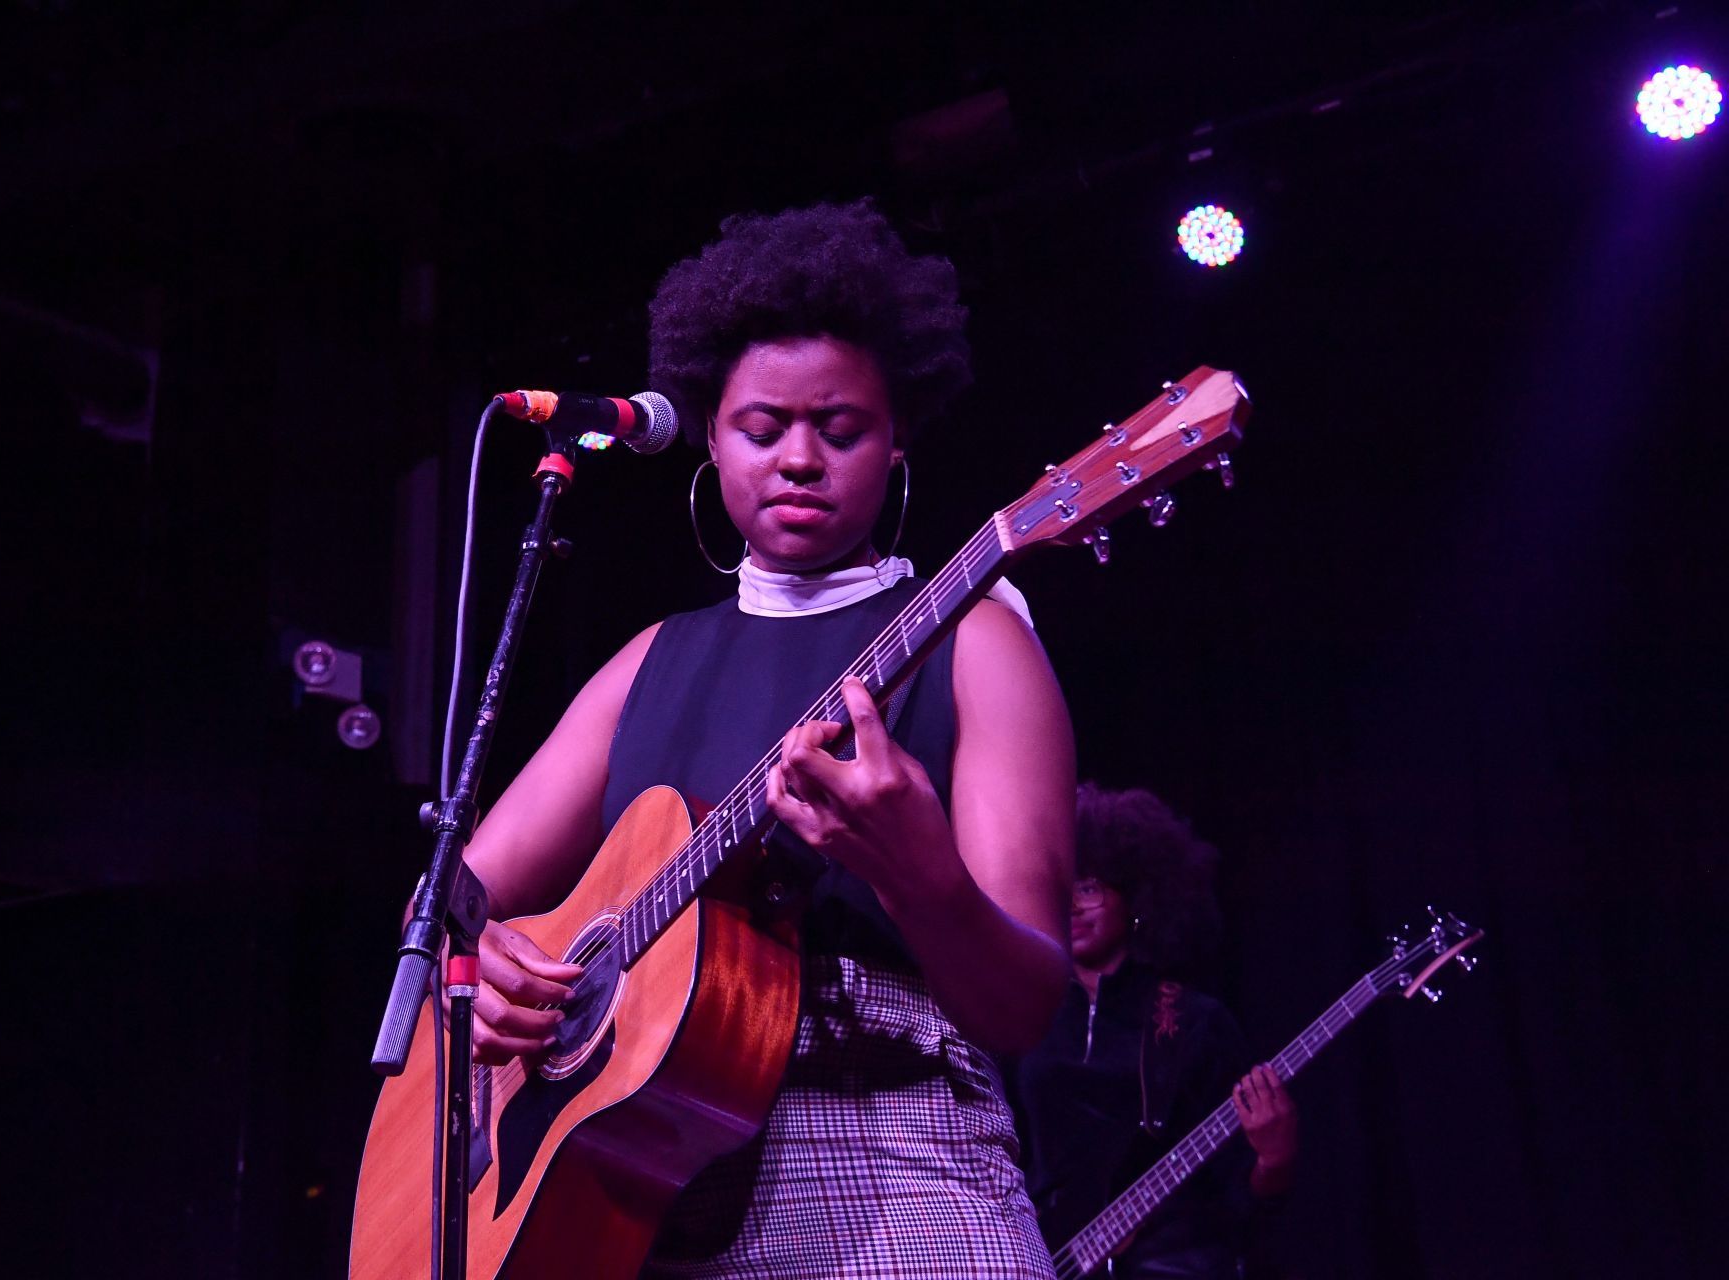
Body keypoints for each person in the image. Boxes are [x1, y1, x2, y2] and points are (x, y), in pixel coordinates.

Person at [456, 199, 1077, 1278]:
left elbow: (1025, 1002)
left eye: (840, 430)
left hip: (886, 1155)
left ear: (896, 444)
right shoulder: (650, 660)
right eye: (762, 428)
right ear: (708, 435)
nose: (800, 458)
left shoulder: (977, 639)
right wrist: (483, 968)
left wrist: (919, 872)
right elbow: (453, 898)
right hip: (630, 1183)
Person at [1009, 783, 1298, 1279]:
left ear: (1137, 898)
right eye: (1065, 888)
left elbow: (1243, 1196)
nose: (1074, 906)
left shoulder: (1194, 1022)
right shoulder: (1023, 1014)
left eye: (1091, 886)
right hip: (1040, 1258)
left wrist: (1275, 1157)